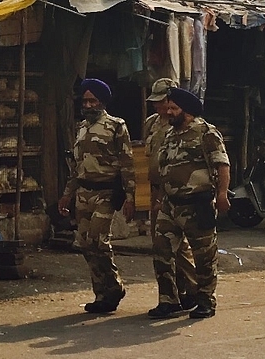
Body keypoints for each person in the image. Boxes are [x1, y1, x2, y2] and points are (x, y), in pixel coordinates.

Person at [148, 87, 231, 319]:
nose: (169, 112)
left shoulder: (206, 133)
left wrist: (222, 194)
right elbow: (165, 169)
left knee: (204, 255)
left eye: (175, 108)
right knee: (162, 252)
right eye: (169, 108)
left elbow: (221, 165)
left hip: (197, 204)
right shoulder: (170, 135)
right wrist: (159, 199)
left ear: (188, 111)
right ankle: (169, 301)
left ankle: (205, 301)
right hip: (170, 205)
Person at [58, 78, 136, 313]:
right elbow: (76, 165)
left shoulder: (116, 126)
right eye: (85, 101)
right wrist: (66, 196)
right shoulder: (81, 128)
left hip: (106, 191)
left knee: (98, 240)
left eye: (93, 101)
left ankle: (114, 286)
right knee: (84, 243)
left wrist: (130, 197)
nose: (88, 105)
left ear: (102, 102)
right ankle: (102, 294)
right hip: (83, 191)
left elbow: (127, 163)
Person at [144, 79, 197, 312]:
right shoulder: (152, 124)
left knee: (180, 246)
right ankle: (170, 297)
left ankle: (193, 289)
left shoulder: (186, 124)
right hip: (157, 190)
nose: (158, 107)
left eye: (162, 102)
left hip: (178, 192)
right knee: (161, 246)